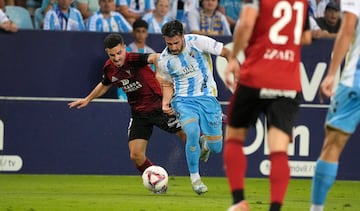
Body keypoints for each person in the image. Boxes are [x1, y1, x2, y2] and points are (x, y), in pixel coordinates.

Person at [68, 33, 186, 193]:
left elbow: (157, 57)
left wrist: (158, 74)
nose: (116, 58)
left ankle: (204, 151)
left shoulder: (133, 59)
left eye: (119, 53)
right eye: (112, 55)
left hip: (158, 107)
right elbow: (104, 84)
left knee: (187, 137)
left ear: (124, 48)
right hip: (139, 114)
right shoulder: (109, 68)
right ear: (107, 53)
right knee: (136, 155)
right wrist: (88, 99)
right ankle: (157, 182)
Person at [222, 1, 312, 210]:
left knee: (234, 138)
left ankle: (238, 202)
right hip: (288, 81)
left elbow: (245, 24)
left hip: (256, 76)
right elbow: (307, 37)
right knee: (279, 149)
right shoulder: (302, 2)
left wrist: (234, 57)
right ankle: (275, 207)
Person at [157, 20, 231, 195]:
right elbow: (168, 83)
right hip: (183, 100)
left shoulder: (198, 42)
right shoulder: (164, 60)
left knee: (216, 148)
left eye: (176, 42)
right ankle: (195, 179)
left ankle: (205, 145)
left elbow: (226, 52)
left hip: (207, 98)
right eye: (169, 43)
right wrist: (165, 102)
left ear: (182, 37)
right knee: (191, 132)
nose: (173, 47)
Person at [310, 1, 360, 210]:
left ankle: (316, 209)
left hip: (355, 81)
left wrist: (331, 74)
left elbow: (347, 27)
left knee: (332, 145)